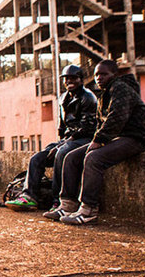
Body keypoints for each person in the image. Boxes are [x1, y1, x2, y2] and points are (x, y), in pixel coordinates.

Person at [45, 59, 145, 225]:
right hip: (116, 138)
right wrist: (98, 139)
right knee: (71, 157)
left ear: (114, 74)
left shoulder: (121, 88)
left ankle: (89, 210)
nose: (99, 78)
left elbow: (117, 117)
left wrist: (99, 140)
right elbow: (100, 123)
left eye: (103, 74)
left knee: (94, 158)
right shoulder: (105, 94)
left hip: (135, 138)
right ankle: (67, 205)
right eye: (96, 75)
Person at [5, 64, 98, 211]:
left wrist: (63, 144)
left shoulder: (88, 97)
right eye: (66, 79)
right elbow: (62, 126)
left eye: (73, 78)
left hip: (84, 138)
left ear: (81, 79)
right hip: (68, 139)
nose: (69, 81)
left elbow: (87, 127)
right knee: (37, 158)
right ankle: (29, 196)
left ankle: (58, 201)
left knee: (61, 154)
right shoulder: (63, 98)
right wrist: (60, 142)